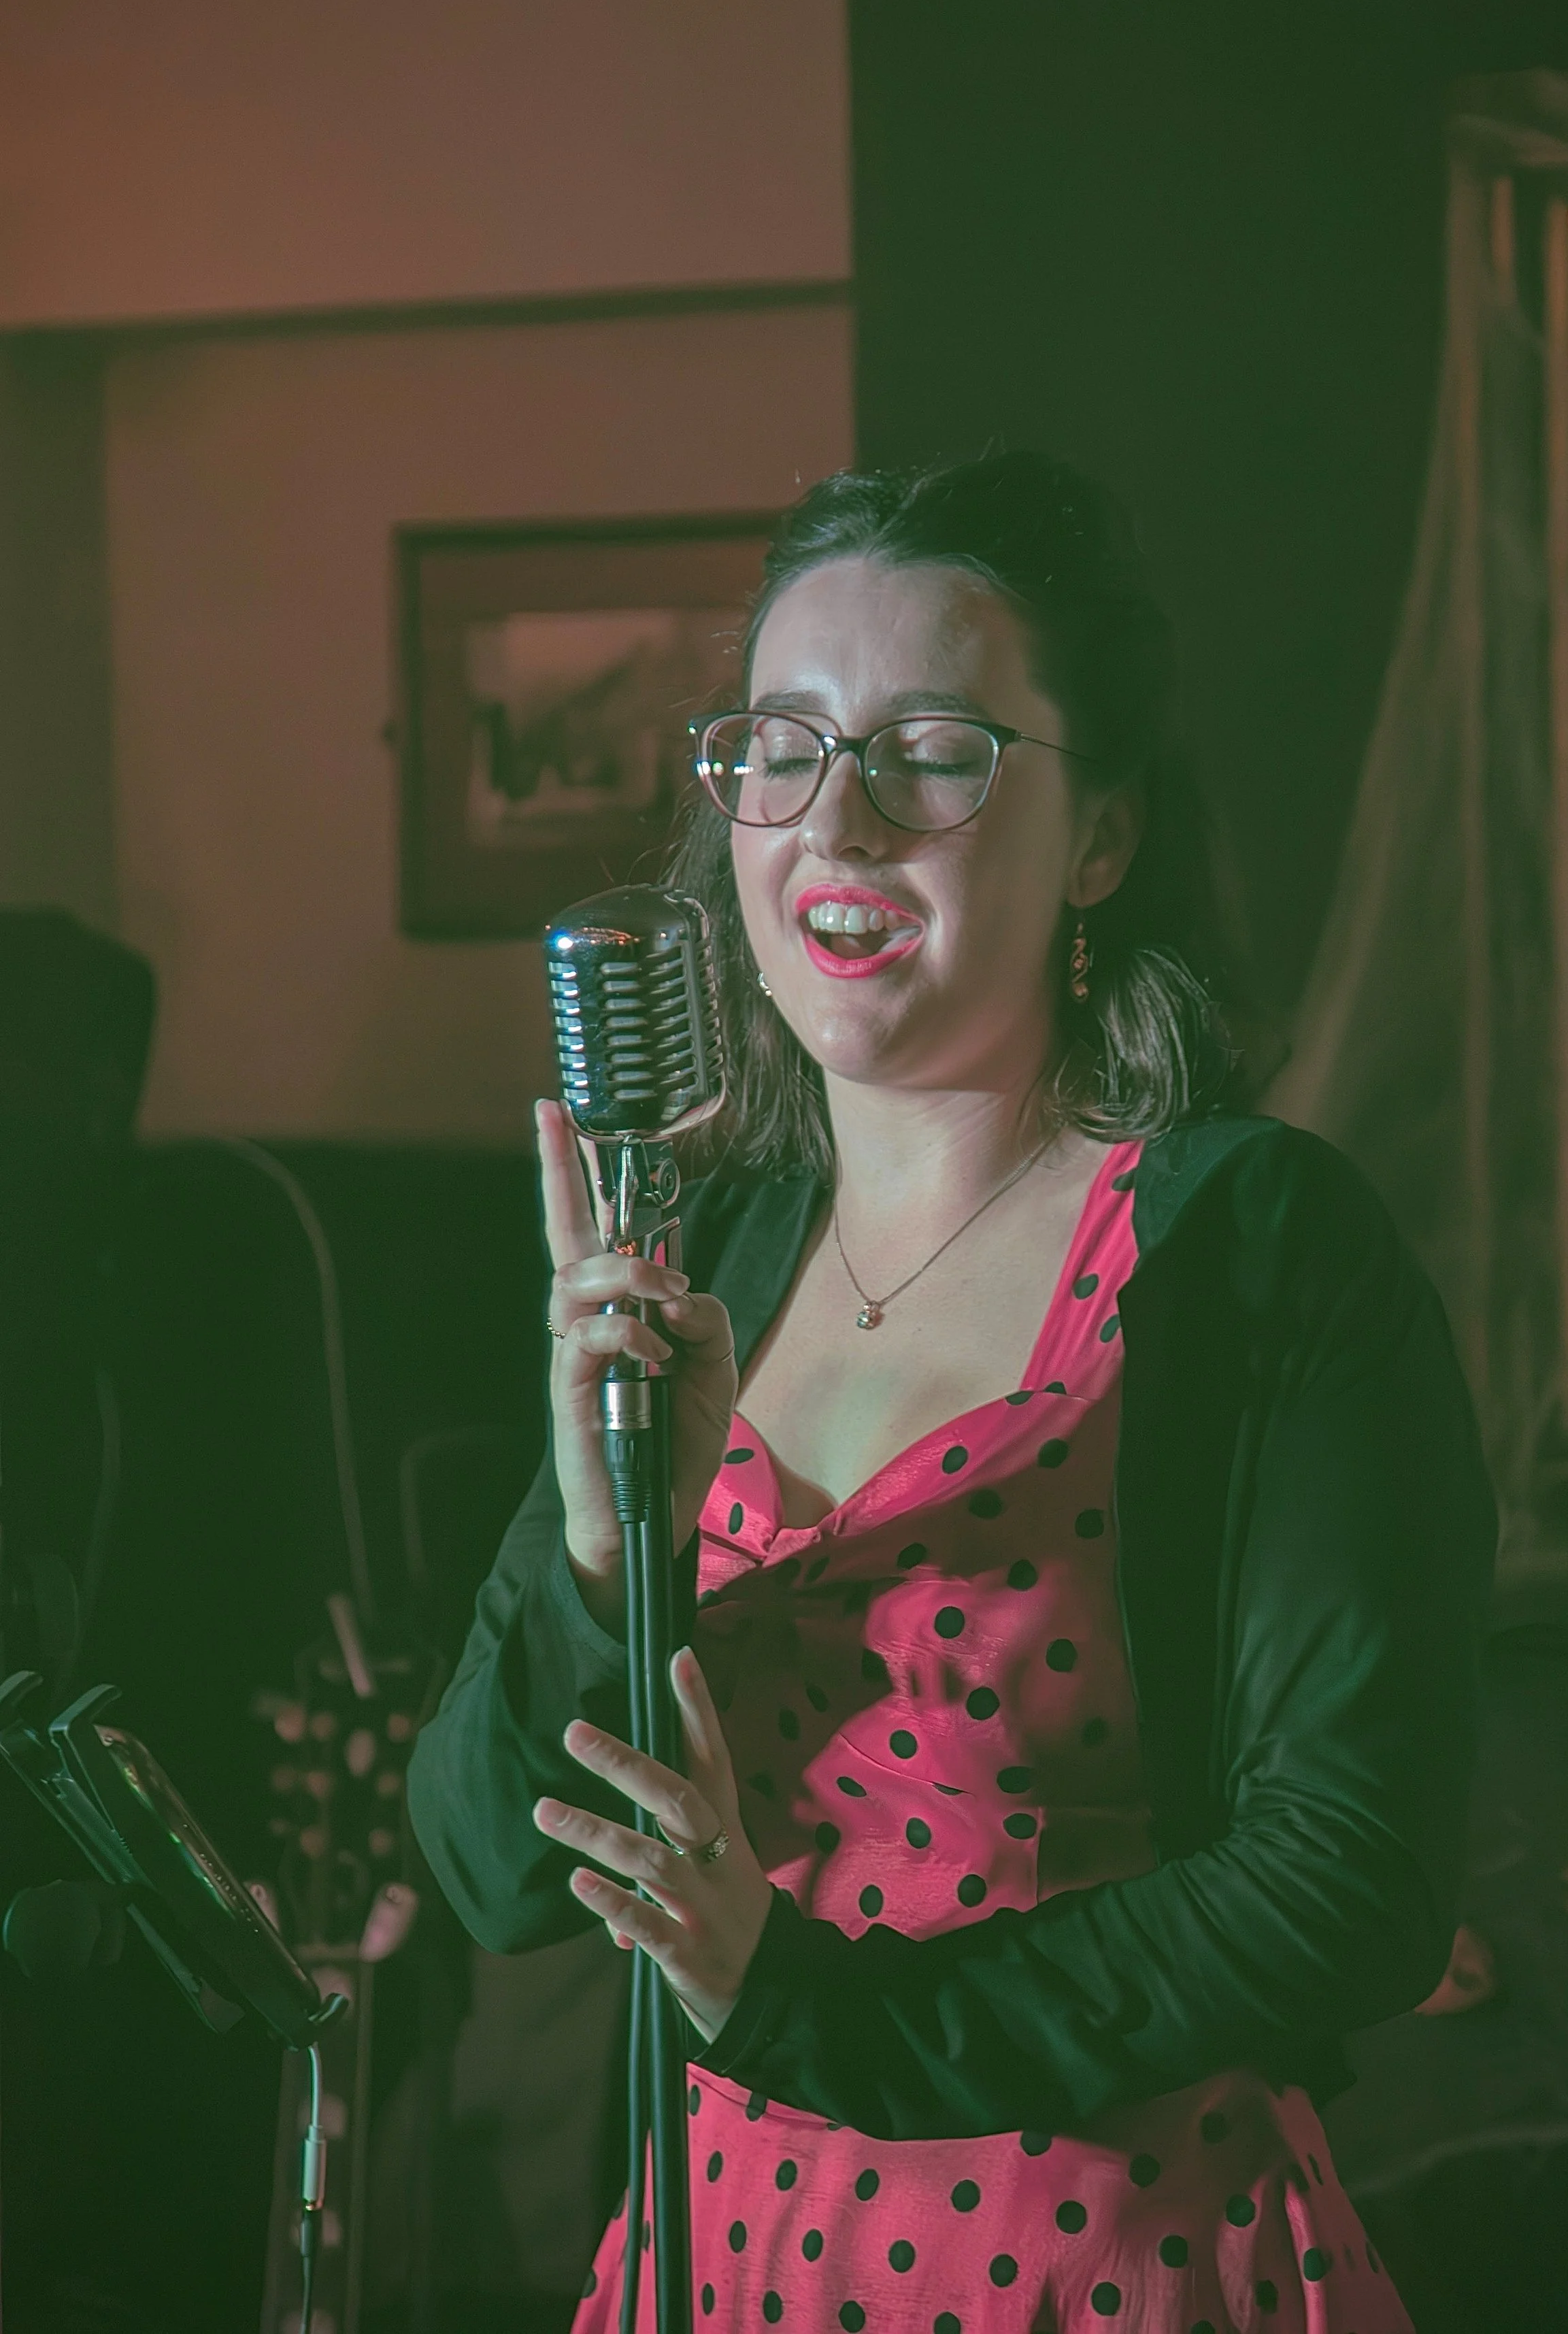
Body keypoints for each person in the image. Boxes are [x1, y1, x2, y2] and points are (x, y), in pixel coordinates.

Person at [407, 451, 1496, 2333]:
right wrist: (602, 1553)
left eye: (930, 752)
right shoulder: (703, 1254)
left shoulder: (1251, 1244)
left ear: (1101, 836)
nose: (838, 820)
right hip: (721, 2260)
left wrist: (815, 2018)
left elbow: (1348, 1883)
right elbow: (488, 1871)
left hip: (1115, 2263)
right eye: (782, 745)